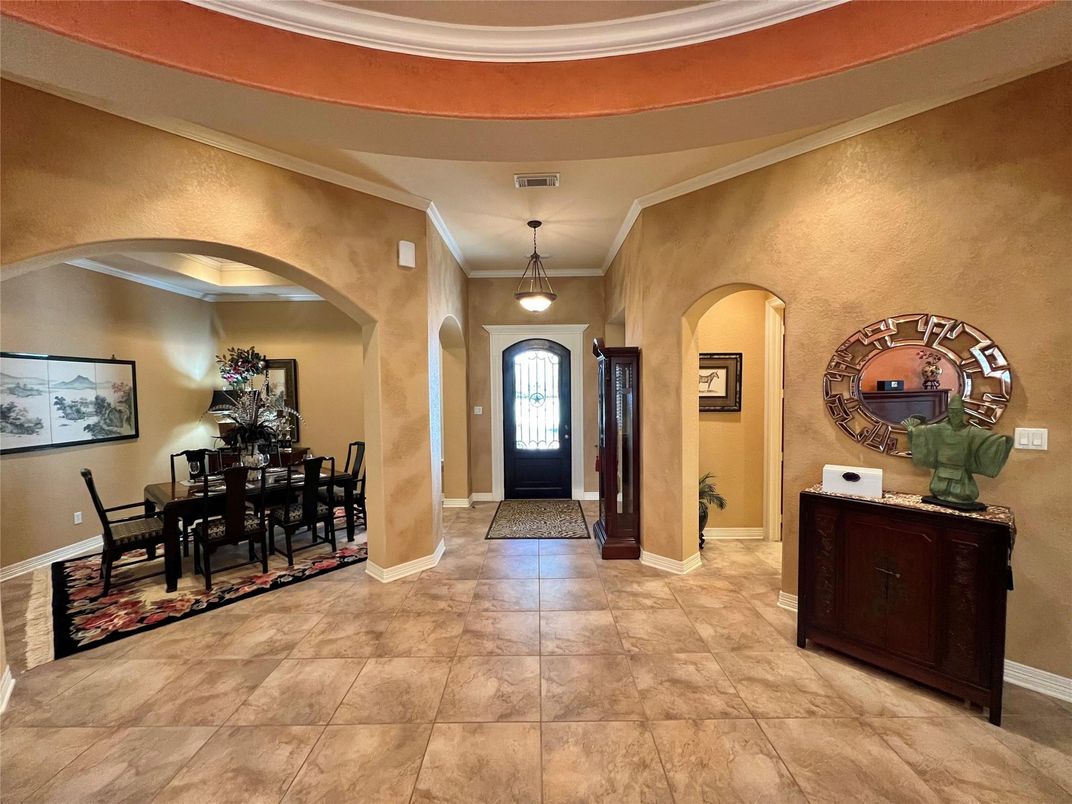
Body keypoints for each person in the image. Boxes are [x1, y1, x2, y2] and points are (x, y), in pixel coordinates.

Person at [901, 394, 1013, 510]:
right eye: (952, 412)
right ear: (948, 413)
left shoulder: (971, 432)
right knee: (938, 489)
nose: (955, 415)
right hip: (942, 467)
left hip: (961, 470)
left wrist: (1002, 442)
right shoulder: (939, 429)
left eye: (958, 413)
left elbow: (987, 439)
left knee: (964, 494)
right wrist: (913, 431)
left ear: (963, 413)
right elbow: (924, 432)